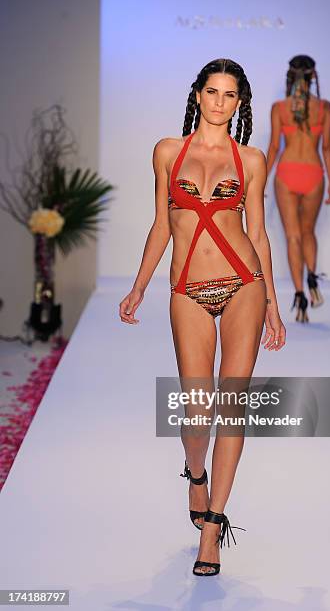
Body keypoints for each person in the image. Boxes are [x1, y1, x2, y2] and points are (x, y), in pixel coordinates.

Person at [119, 58, 285, 576]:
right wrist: (139, 285)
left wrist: (274, 305)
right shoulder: (169, 151)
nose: (219, 101)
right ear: (196, 96)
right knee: (196, 412)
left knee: (231, 406)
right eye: (211, 92)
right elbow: (161, 225)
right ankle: (196, 474)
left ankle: (213, 527)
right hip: (187, 286)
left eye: (229, 94)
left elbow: (257, 234)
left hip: (244, 285)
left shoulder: (252, 159)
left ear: (240, 103)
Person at [266, 55, 330, 322]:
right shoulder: (324, 108)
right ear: (313, 76)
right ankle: (312, 278)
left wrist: (261, 178)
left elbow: (273, 147)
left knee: (293, 236)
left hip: (286, 174)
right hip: (313, 174)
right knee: (308, 232)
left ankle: (299, 294)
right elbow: (327, 147)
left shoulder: (279, 108)